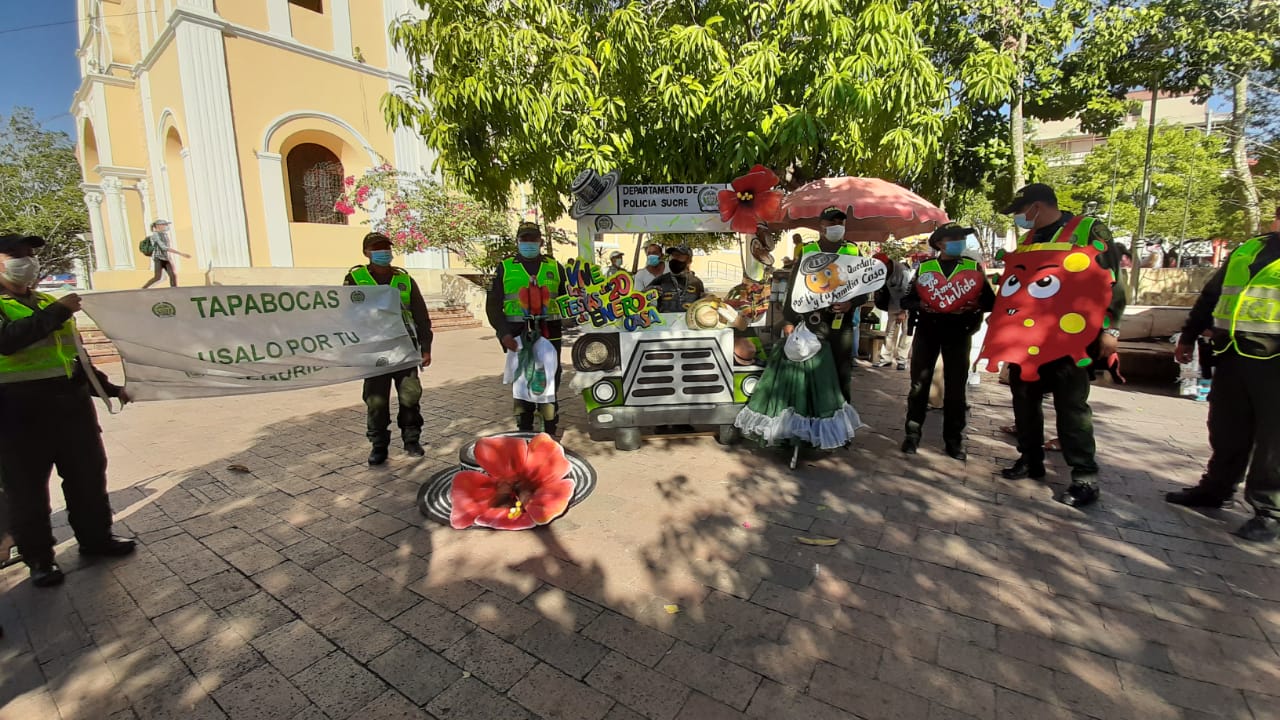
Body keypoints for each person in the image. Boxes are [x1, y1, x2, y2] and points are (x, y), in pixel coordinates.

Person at [0, 234, 135, 588]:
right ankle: (40, 560)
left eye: (29, 254)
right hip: (17, 417)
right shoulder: (45, 306)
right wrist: (59, 310)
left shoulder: (45, 300)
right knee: (27, 492)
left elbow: (76, 359)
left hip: (71, 410)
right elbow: (7, 341)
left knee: (88, 479)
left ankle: (96, 539)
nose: (26, 260)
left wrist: (109, 389)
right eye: (15, 255)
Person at [997, 184, 1126, 508]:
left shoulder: (1088, 230)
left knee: (1071, 409)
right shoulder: (1031, 239)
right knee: (1024, 401)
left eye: (1021, 212)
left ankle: (1084, 477)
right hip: (1027, 340)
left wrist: (1111, 329)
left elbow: (1113, 282)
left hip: (1072, 341)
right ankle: (1030, 460)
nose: (1020, 219)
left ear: (1037, 207)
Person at [1166, 214, 1280, 541]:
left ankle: (1269, 511)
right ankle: (1216, 489)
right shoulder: (1249, 250)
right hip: (1232, 352)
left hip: (1274, 362)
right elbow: (1212, 295)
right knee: (1226, 427)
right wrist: (1187, 336)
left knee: (1274, 441)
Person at [900, 224, 995, 460]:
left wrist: (974, 306)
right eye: (954, 238)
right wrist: (921, 305)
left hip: (959, 333)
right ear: (940, 243)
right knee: (918, 386)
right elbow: (907, 300)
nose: (960, 242)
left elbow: (990, 302)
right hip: (927, 331)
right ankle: (912, 435)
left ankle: (954, 441)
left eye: (962, 238)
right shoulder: (924, 267)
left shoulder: (973, 268)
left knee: (956, 390)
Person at [343, 233, 434, 465]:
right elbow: (345, 315)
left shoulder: (404, 279)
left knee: (410, 397)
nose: (383, 251)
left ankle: (412, 439)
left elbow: (421, 315)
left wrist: (426, 346)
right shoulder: (355, 278)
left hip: (405, 349)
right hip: (374, 352)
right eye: (377, 248)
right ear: (366, 252)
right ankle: (379, 445)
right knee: (376, 401)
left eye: (386, 247)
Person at [486, 222, 569, 435]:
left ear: (540, 241)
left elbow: (567, 300)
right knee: (522, 381)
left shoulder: (554, 266)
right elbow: (493, 305)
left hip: (550, 335)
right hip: (517, 335)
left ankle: (549, 432)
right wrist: (503, 333)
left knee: (549, 381)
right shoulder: (505, 267)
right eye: (525, 239)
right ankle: (524, 430)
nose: (529, 243)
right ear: (518, 241)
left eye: (533, 239)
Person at [784, 207, 862, 398]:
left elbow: (864, 287)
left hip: (841, 322)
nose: (837, 226)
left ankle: (842, 414)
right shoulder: (808, 250)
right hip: (813, 322)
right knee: (810, 368)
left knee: (842, 371)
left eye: (840, 223)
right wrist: (789, 320)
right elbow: (794, 286)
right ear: (821, 226)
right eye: (832, 222)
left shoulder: (853, 250)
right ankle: (812, 412)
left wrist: (851, 303)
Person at [874, 254, 913, 370]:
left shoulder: (902, 271)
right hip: (893, 303)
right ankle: (886, 358)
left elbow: (908, 291)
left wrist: (903, 311)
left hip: (906, 305)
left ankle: (902, 359)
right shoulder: (883, 272)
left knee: (906, 333)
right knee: (890, 332)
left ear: (887, 264)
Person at [652, 245, 706, 313]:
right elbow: (641, 298)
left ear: (689, 260)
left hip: (688, 322)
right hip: (665, 322)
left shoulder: (697, 283)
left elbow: (702, 306)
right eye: (673, 255)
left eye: (678, 255)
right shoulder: (660, 280)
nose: (674, 258)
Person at [140, 219, 191, 289]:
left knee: (172, 275)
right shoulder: (155, 235)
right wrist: (181, 254)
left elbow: (166, 248)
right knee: (157, 277)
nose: (166, 226)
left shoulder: (165, 235)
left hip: (165, 258)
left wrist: (169, 258)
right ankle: (144, 288)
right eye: (164, 225)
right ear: (158, 226)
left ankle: (174, 290)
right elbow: (163, 247)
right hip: (158, 258)